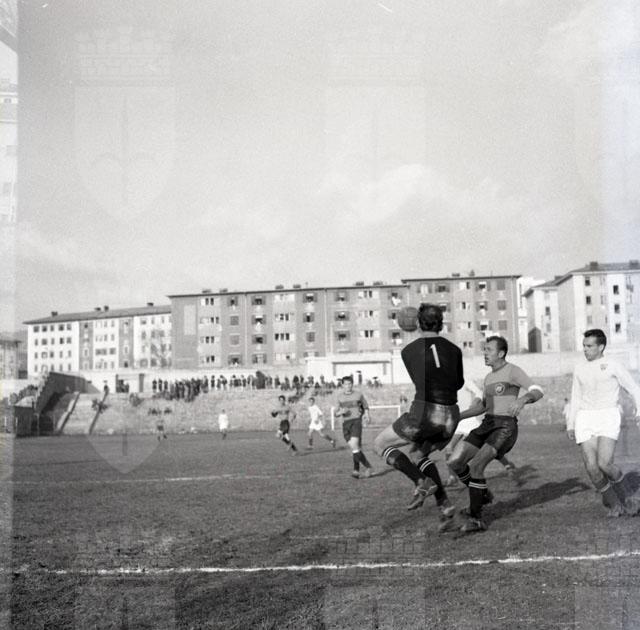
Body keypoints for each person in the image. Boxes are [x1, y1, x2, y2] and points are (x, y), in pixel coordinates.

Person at [373, 303, 463, 516]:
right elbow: (458, 383)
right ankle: (444, 504)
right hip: (451, 417)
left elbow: (420, 381)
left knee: (379, 444)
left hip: (426, 413)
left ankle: (421, 481)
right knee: (417, 455)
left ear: (419, 324)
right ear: (441, 324)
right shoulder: (455, 350)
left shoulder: (408, 351)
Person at [446, 335, 543, 533]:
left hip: (504, 427)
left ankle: (475, 518)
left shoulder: (513, 371)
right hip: (487, 424)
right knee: (454, 462)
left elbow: (537, 390)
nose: (485, 353)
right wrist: (459, 416)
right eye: (484, 349)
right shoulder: (489, 378)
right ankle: (482, 493)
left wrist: (522, 400)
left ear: (501, 353)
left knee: (476, 466)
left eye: (489, 349)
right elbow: (483, 406)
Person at [566, 329, 640, 517]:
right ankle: (615, 506)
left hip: (608, 416)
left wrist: (639, 411)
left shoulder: (613, 365)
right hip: (585, 418)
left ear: (601, 347)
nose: (585, 349)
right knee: (591, 467)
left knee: (605, 464)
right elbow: (576, 397)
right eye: (584, 346)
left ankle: (628, 498)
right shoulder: (579, 368)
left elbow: (633, 388)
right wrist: (571, 424)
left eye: (589, 346)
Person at [443, 380, 517, 487]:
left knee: (486, 447)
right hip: (458, 421)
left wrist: (475, 401)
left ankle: (508, 465)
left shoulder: (465, 380)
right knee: (449, 448)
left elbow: (479, 392)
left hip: (470, 420)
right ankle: (452, 477)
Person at [335, 375, 373, 478]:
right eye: (346, 384)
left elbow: (365, 406)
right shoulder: (339, 397)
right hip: (345, 424)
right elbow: (336, 413)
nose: (348, 386)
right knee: (355, 448)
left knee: (355, 445)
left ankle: (356, 470)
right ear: (342, 385)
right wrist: (341, 412)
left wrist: (367, 415)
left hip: (356, 422)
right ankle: (368, 467)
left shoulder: (358, 395)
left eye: (350, 384)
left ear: (352, 384)